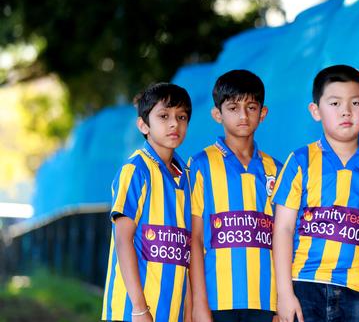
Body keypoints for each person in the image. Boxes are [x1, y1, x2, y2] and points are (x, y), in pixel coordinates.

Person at [272, 65, 359, 322]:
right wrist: (284, 293)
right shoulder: (300, 161)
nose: (346, 111)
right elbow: (283, 229)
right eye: (334, 103)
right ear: (315, 111)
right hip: (304, 283)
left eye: (355, 103)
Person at [188, 70, 282, 322]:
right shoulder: (200, 165)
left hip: (266, 300)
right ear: (217, 114)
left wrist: (282, 300)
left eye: (251, 107)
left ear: (263, 113)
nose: (243, 115)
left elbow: (285, 239)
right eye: (233, 107)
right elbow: (194, 239)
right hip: (217, 299)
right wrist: (199, 304)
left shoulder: (278, 170)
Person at [102, 83, 193, 322]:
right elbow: (123, 240)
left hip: (172, 313)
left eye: (181, 116)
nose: (174, 123)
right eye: (164, 116)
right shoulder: (136, 170)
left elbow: (187, 253)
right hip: (131, 313)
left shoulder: (188, 176)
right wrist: (140, 309)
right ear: (143, 125)